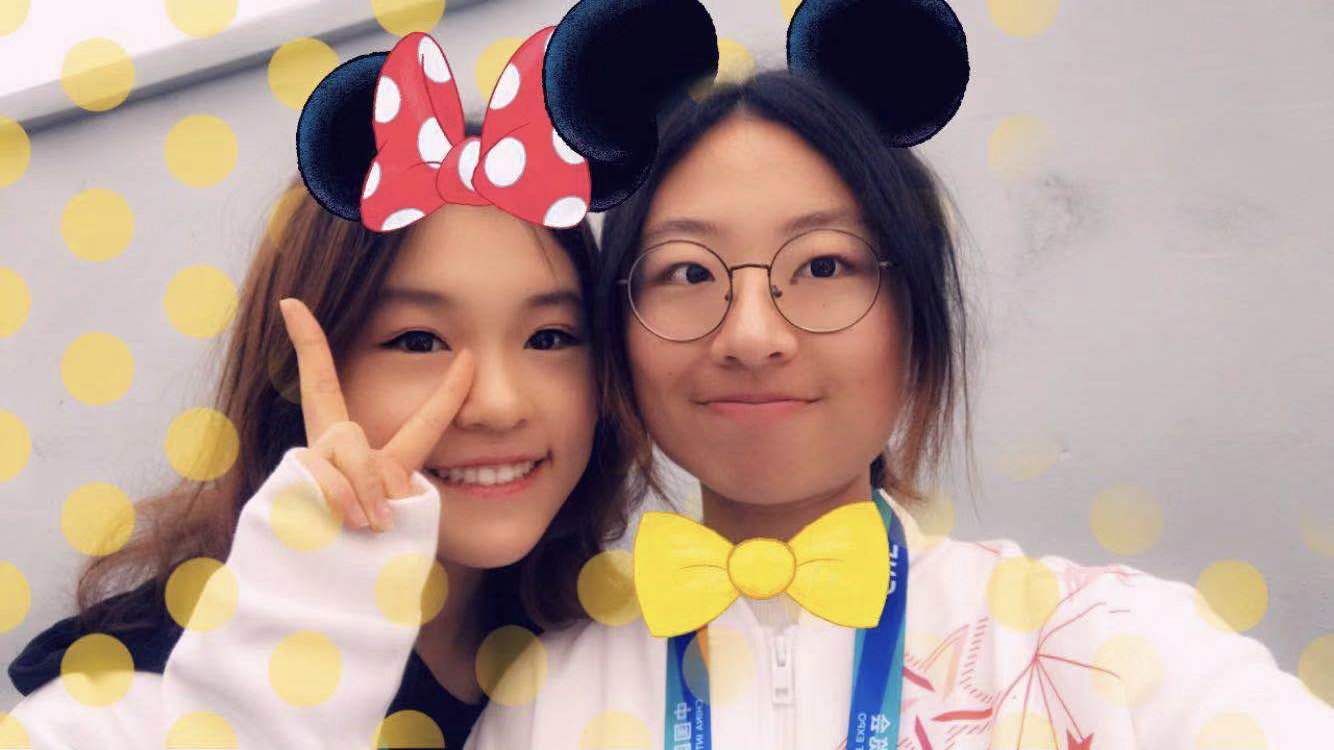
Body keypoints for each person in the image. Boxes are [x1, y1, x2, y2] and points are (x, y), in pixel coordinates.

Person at [463, 1, 1334, 747]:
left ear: (914, 320)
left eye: (824, 265)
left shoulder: (1106, 650)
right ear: (620, 334)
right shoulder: (544, 702)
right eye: (688, 273)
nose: (753, 335)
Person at [5, 26, 633, 749]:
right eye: (418, 341)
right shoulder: (117, 708)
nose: (498, 404)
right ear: (294, 374)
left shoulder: (620, 662)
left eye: (550, 337)